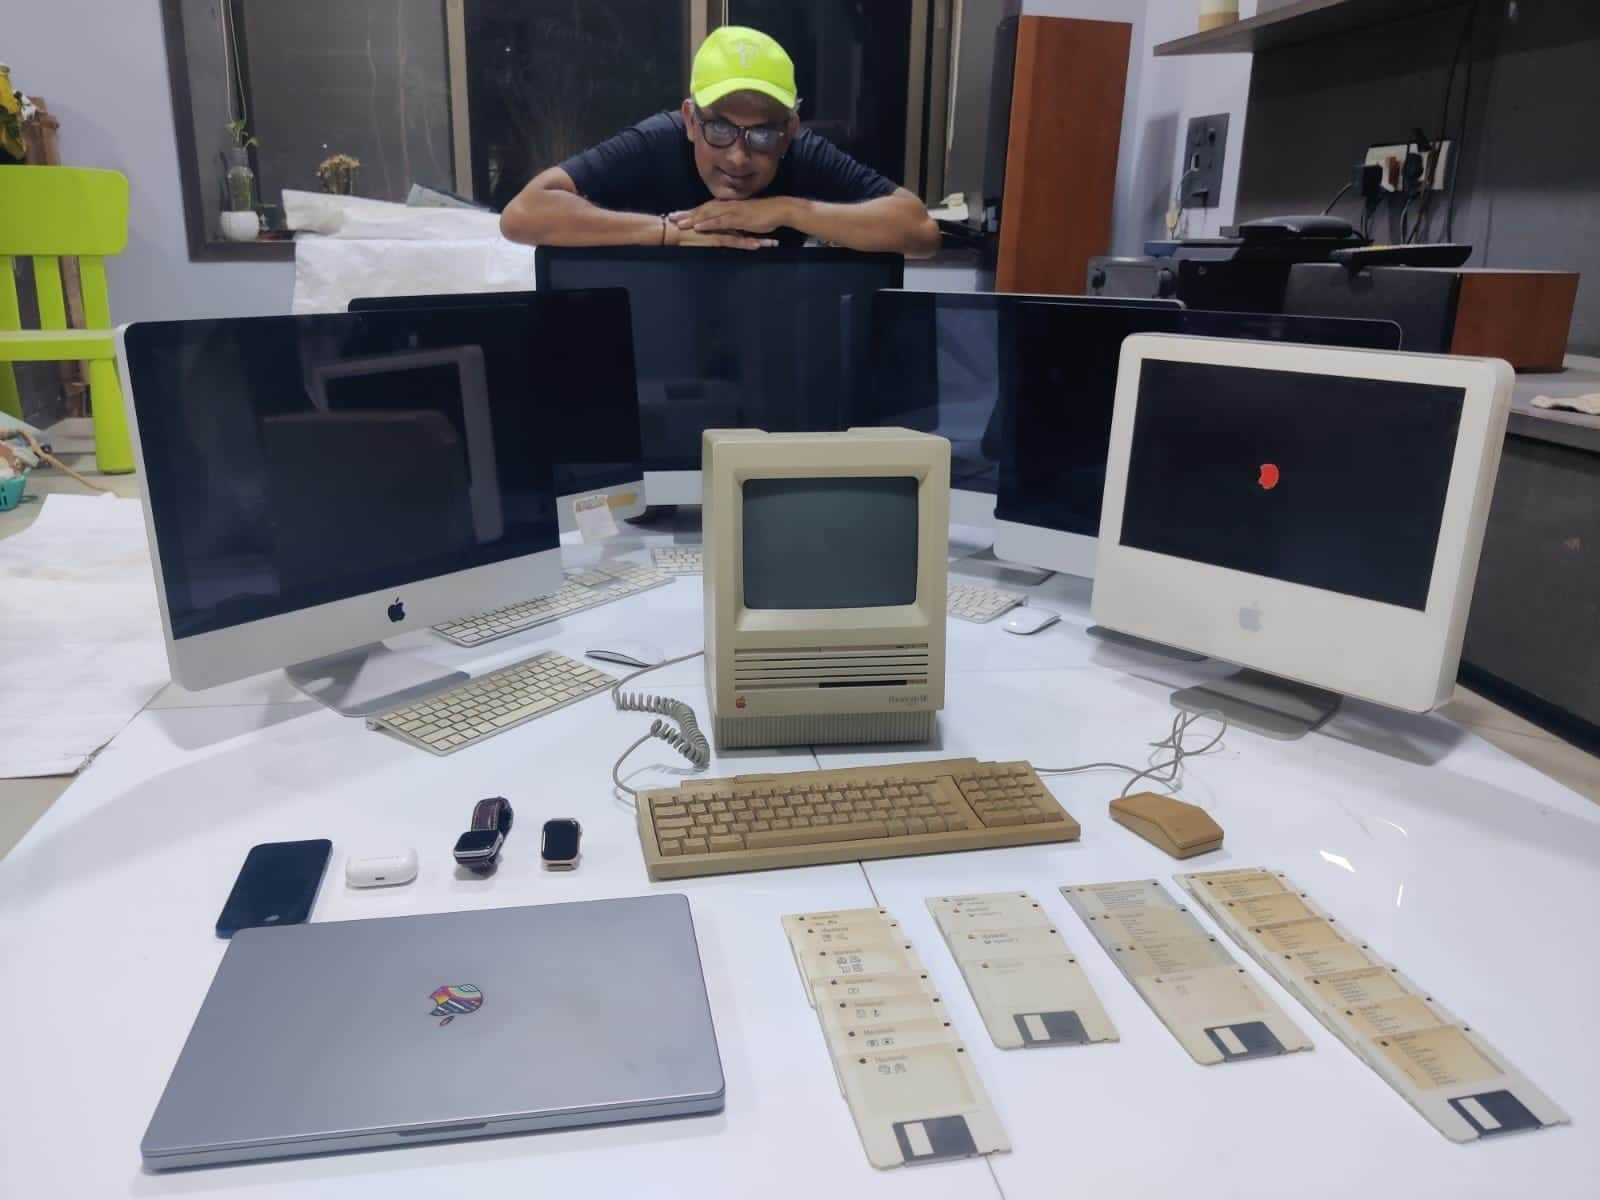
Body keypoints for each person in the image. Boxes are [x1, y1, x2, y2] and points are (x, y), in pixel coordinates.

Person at [499, 26, 940, 258]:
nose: (739, 155)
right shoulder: (656, 143)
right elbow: (523, 215)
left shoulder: (804, 155)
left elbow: (919, 230)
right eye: (720, 129)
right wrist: (667, 233)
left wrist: (788, 210)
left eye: (763, 134)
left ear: (788, 130)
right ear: (690, 119)